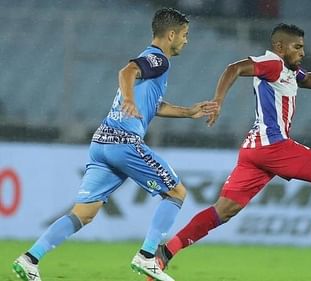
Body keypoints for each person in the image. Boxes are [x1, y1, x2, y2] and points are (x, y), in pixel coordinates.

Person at [147, 22, 311, 280]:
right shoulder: (273, 64)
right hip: (273, 145)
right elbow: (234, 68)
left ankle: (164, 253)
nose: (302, 52)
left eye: (303, 47)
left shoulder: (288, 70)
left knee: (223, 210)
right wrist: (219, 101)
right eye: (297, 47)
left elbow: (307, 79)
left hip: (255, 151)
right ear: (279, 47)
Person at [12, 8, 217, 281]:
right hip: (124, 142)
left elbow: (153, 105)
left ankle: (30, 259)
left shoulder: (152, 61)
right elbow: (127, 71)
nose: (186, 40)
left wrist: (188, 112)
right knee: (176, 192)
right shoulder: (158, 60)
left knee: (84, 213)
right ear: (171, 35)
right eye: (184, 35)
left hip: (102, 142)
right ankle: (147, 257)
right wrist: (129, 99)